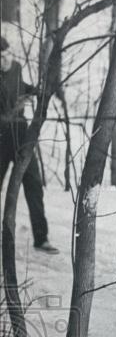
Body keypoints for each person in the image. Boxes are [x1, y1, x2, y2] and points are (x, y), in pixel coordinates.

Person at [0, 36, 58, 254]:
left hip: (22, 134)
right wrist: (12, 111)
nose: (4, 61)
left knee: (33, 182)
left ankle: (41, 238)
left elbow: (20, 86)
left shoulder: (16, 67)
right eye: (0, 58)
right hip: (1, 136)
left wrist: (35, 91)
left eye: (7, 55)